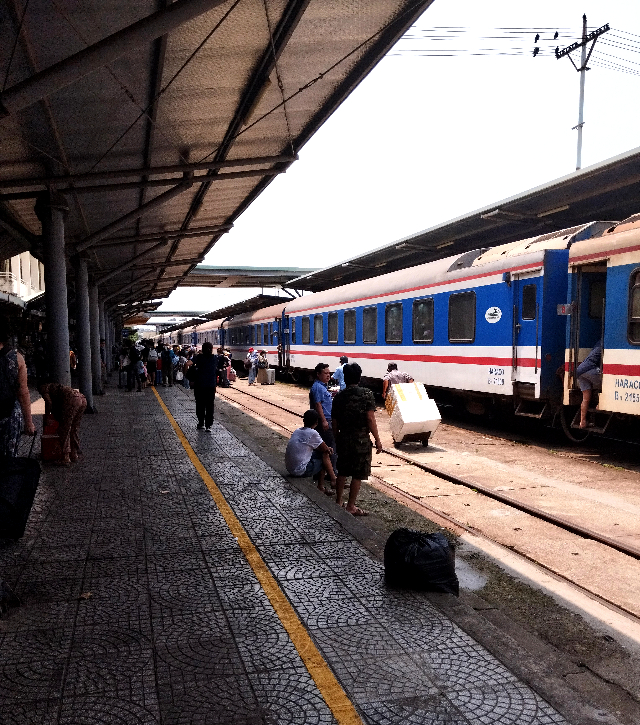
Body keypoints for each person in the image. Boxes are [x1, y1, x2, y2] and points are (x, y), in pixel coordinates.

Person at [332, 363, 382, 516]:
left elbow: (334, 421)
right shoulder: (367, 394)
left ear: (345, 378)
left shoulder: (339, 396)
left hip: (344, 438)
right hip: (361, 441)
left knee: (342, 471)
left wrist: (337, 438)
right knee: (358, 474)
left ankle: (339, 501)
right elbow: (370, 418)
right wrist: (378, 440)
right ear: (359, 377)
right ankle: (351, 506)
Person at [0, 317, 36, 457]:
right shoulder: (17, 358)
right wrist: (29, 423)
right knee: (9, 461)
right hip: (9, 416)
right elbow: (23, 392)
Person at [285, 409, 337, 494]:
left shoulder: (297, 431)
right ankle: (329, 482)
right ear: (317, 422)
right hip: (299, 470)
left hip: (290, 468)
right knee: (324, 457)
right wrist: (329, 449)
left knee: (321, 454)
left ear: (304, 420)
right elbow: (326, 450)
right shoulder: (313, 433)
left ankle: (332, 480)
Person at [39, 382, 87, 465]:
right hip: (82, 399)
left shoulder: (44, 388)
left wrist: (46, 417)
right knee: (74, 428)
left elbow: (48, 402)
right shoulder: (57, 387)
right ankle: (74, 454)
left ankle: (65, 457)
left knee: (65, 429)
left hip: (72, 400)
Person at [309, 362, 337, 489]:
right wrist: (324, 420)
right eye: (325, 373)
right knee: (329, 448)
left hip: (326, 420)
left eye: (329, 373)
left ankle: (325, 473)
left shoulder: (323, 386)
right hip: (324, 422)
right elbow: (318, 405)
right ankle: (331, 475)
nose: (328, 375)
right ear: (318, 374)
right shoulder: (318, 387)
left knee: (326, 448)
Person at [576, 340, 603, 429]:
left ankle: (582, 422)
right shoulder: (605, 343)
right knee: (606, 381)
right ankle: (601, 404)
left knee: (585, 399)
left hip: (579, 370)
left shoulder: (598, 343)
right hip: (589, 369)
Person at [192, 341, 218, 431]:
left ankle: (200, 423)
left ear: (202, 349)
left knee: (200, 404)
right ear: (211, 349)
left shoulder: (198, 357)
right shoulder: (215, 358)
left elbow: (188, 364)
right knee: (210, 405)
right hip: (211, 385)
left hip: (199, 385)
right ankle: (208, 425)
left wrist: (188, 377)